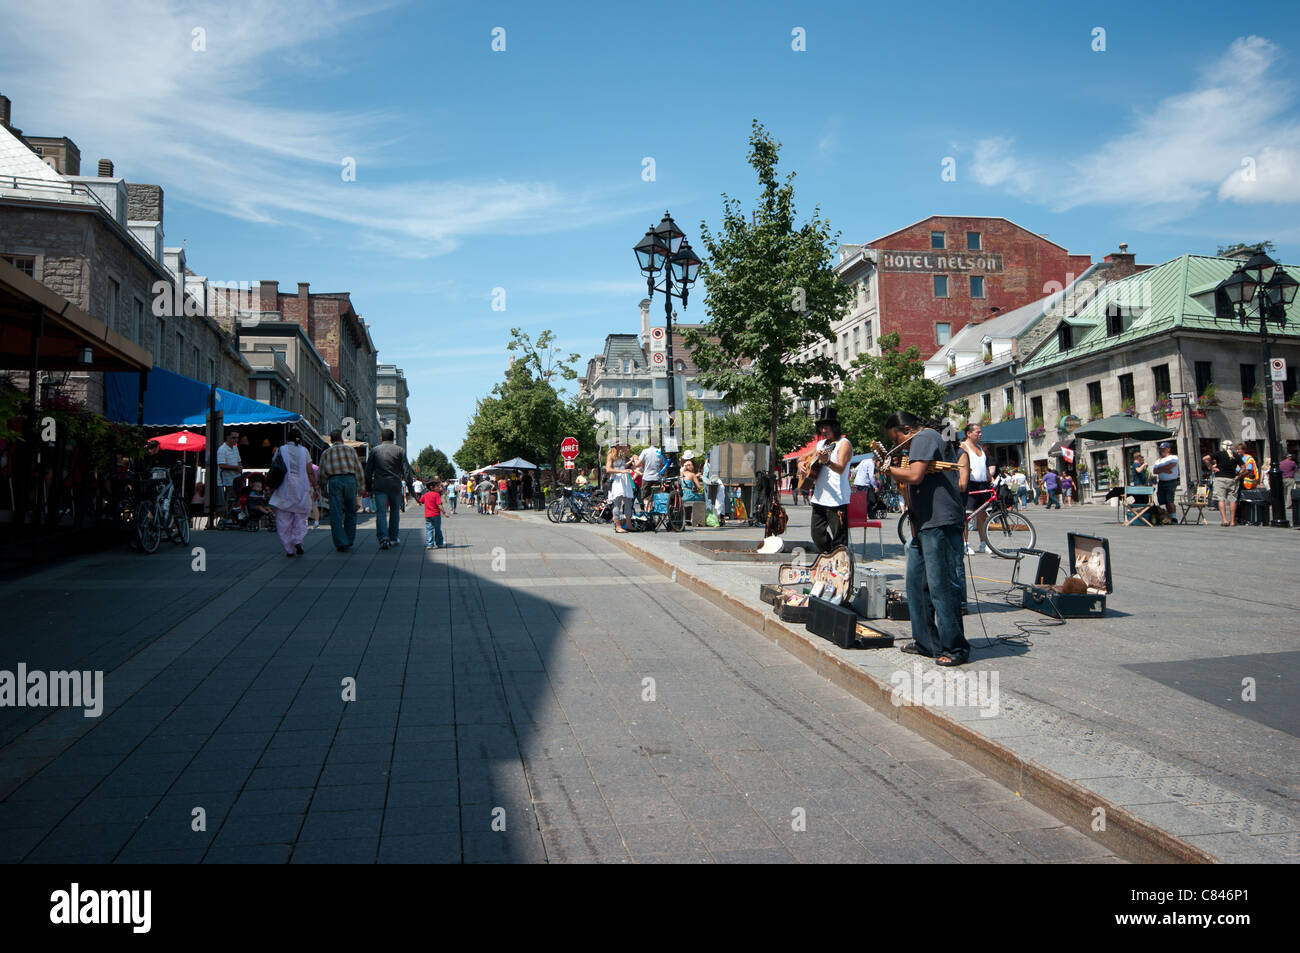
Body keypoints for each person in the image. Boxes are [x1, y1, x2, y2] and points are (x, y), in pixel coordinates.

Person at [884, 411, 970, 667]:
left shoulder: (923, 438)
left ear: (907, 429)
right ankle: (926, 642)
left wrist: (889, 469)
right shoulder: (924, 439)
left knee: (941, 587)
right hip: (925, 524)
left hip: (939, 523)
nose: (900, 444)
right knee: (916, 585)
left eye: (897, 438)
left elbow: (914, 475)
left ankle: (955, 647)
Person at [809, 407, 852, 553]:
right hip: (819, 497)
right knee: (816, 534)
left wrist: (827, 461)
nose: (823, 431)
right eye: (821, 428)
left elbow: (840, 468)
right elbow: (803, 458)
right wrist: (800, 464)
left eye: (826, 427)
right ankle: (830, 558)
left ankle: (840, 566)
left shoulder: (843, 443)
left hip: (837, 499)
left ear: (834, 427)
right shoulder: (820, 445)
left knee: (840, 539)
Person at [365, 429, 416, 550]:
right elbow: (407, 471)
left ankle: (383, 538)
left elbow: (368, 471)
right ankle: (393, 537)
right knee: (394, 512)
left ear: (381, 438)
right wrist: (410, 488)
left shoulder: (374, 451)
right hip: (395, 485)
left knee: (381, 512)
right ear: (393, 438)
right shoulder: (400, 450)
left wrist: (368, 487)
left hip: (380, 485)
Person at [269, 429, 316, 557]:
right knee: (300, 518)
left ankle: (289, 548)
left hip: (284, 488)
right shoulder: (304, 451)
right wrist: (316, 486)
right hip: (301, 487)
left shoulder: (280, 450)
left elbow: (275, 467)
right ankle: (298, 540)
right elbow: (310, 470)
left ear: (287, 438)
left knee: (283, 519)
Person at [318, 429, 365, 551]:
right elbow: (358, 469)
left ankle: (340, 542)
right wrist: (361, 487)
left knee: (336, 512)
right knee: (351, 510)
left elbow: (321, 472)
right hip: (350, 480)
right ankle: (349, 539)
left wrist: (323, 488)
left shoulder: (326, 453)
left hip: (334, 480)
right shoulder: (350, 450)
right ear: (342, 439)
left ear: (331, 440)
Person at [960, 423, 991, 555]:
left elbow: (984, 466)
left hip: (982, 483)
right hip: (970, 483)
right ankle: (965, 543)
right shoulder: (963, 446)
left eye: (980, 432)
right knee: (966, 515)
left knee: (982, 515)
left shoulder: (980, 448)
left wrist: (991, 478)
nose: (980, 434)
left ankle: (983, 543)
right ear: (968, 433)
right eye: (977, 432)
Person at [1206, 439, 1240, 526]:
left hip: (1220, 478)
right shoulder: (1235, 455)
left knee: (1221, 499)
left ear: (1223, 446)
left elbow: (1205, 458)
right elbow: (1244, 467)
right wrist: (1239, 475)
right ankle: (1232, 521)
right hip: (1232, 479)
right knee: (1233, 500)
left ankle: (1224, 520)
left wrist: (1212, 468)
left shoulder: (1219, 454)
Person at [607, 444, 636, 533]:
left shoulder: (622, 454)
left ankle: (628, 524)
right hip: (617, 480)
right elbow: (608, 469)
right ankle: (618, 526)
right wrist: (622, 471)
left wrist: (630, 464)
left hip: (625, 479)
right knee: (617, 503)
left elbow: (624, 465)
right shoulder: (611, 455)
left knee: (628, 502)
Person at [1152, 441, 1180, 522]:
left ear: (1168, 449)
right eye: (1161, 449)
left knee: (1170, 500)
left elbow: (1171, 466)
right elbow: (1155, 471)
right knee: (1162, 500)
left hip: (1171, 481)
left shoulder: (1173, 457)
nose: (1162, 451)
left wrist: (1160, 469)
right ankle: (1168, 516)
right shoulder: (1158, 460)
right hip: (1162, 481)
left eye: (1164, 449)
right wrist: (1165, 469)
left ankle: (1174, 517)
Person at [216, 429, 243, 514]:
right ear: (227, 437)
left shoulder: (235, 448)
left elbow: (239, 461)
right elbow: (221, 465)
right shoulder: (222, 449)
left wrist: (240, 467)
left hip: (236, 478)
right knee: (230, 499)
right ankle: (227, 517)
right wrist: (236, 468)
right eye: (233, 437)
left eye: (237, 438)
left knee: (237, 498)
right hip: (227, 480)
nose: (235, 439)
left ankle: (234, 517)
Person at [638, 443, 665, 511]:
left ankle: (647, 512)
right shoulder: (660, 452)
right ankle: (655, 511)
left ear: (649, 443)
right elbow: (663, 465)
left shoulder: (645, 451)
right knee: (656, 497)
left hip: (647, 477)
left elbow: (638, 463)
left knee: (645, 497)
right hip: (657, 477)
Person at [420, 480, 446, 549]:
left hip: (428, 515)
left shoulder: (425, 495)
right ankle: (439, 543)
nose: (439, 488)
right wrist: (444, 512)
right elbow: (439, 505)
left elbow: (421, 501)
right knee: (437, 529)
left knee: (429, 529)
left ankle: (429, 544)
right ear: (432, 487)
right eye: (437, 486)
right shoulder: (436, 495)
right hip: (436, 515)